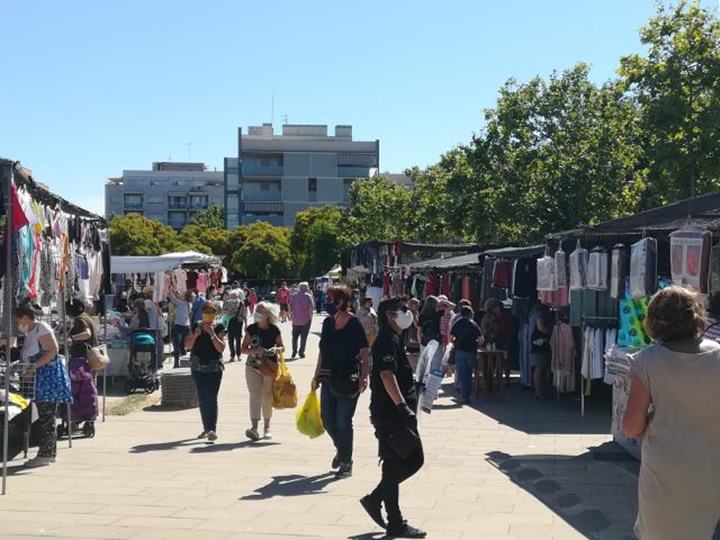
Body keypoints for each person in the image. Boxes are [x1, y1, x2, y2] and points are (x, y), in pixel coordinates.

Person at [621, 287, 720, 539]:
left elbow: (631, 426)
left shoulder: (647, 360)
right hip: (711, 466)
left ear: (653, 320)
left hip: (664, 470)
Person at [362, 297, 426, 539]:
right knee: (402, 462)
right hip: (390, 414)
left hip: (393, 413)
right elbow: (387, 375)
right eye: (403, 310)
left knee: (405, 461)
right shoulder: (387, 340)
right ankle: (394, 521)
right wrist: (402, 407)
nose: (408, 313)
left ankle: (377, 500)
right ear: (390, 315)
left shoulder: (394, 339)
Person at [313, 285, 369, 479]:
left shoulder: (354, 323)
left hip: (348, 378)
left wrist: (364, 375)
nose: (327, 302)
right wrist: (316, 375)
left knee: (343, 422)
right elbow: (322, 351)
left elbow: (364, 351)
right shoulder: (328, 323)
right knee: (327, 420)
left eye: (331, 299)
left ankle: (346, 462)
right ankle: (342, 449)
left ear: (341, 301)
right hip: (328, 378)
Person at [16, 302, 71, 468]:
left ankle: (45, 454)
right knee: (46, 416)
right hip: (40, 379)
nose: (17, 324)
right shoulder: (32, 331)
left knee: (46, 416)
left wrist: (33, 367)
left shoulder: (42, 328)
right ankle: (48, 452)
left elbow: (52, 350)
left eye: (18, 320)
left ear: (25, 317)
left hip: (47, 379)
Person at [241, 301, 284, 441]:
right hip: (252, 366)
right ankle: (254, 427)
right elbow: (243, 349)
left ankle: (267, 427)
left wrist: (276, 349)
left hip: (269, 367)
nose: (256, 314)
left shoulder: (274, 330)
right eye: (256, 312)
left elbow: (282, 346)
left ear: (267, 315)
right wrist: (254, 351)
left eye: (260, 312)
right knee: (254, 395)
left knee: (267, 396)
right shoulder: (251, 329)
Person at [185, 302, 226, 442]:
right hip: (198, 367)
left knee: (211, 398)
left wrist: (212, 334)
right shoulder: (196, 325)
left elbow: (221, 348)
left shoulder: (219, 327)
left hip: (214, 368)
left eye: (211, 312)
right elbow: (188, 345)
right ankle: (206, 428)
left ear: (215, 314)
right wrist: (196, 335)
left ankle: (212, 429)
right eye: (206, 311)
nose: (208, 314)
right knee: (202, 398)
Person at [66, 299, 99, 432]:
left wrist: (72, 338)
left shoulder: (80, 320)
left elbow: (87, 334)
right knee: (89, 390)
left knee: (79, 391)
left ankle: (77, 418)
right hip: (88, 360)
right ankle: (88, 418)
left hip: (81, 361)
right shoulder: (87, 317)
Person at [450, 306, 481, 404]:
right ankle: (466, 394)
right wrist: (476, 343)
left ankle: (464, 396)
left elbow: (451, 338)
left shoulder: (457, 323)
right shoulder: (473, 324)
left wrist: (455, 343)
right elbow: (481, 339)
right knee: (468, 373)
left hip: (460, 351)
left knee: (462, 374)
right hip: (471, 351)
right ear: (470, 314)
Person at [530, 311, 553, 399]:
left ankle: (540, 390)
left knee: (541, 368)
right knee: (539, 368)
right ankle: (538, 392)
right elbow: (541, 328)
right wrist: (550, 331)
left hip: (540, 345)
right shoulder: (538, 315)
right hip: (539, 345)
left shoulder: (535, 314)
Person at [289, 282, 314, 359]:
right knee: (303, 338)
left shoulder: (293, 296)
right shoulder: (308, 296)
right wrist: (311, 318)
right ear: (306, 288)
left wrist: (291, 316)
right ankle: (301, 352)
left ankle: (294, 351)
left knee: (294, 337)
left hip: (295, 320)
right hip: (305, 320)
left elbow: (290, 307)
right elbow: (311, 308)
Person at [168, 289, 193, 368]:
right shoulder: (189, 304)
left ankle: (176, 363)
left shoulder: (180, 303)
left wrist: (170, 288)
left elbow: (171, 297)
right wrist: (176, 293)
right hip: (187, 327)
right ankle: (185, 362)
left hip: (179, 326)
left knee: (176, 345)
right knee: (183, 345)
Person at [224, 289, 246, 363]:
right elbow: (224, 312)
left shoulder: (240, 303)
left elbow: (244, 314)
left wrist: (246, 323)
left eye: (233, 295)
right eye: (232, 295)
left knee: (236, 339)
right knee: (233, 339)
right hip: (234, 322)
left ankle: (236, 355)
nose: (232, 296)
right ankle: (234, 355)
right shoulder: (229, 303)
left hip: (236, 322)